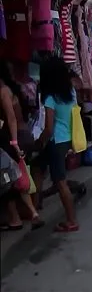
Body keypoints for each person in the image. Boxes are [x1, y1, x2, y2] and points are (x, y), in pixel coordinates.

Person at [34, 56, 79, 232]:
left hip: (55, 141)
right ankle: (35, 207)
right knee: (37, 166)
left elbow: (49, 128)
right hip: (66, 139)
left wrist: (40, 141)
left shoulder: (50, 98)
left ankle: (71, 220)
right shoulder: (68, 95)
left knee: (60, 181)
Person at [0, 62, 45, 231]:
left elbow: (11, 118)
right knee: (18, 177)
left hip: (13, 139)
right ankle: (33, 213)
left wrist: (13, 143)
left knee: (8, 181)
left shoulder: (3, 92)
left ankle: (15, 219)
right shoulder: (12, 90)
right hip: (23, 136)